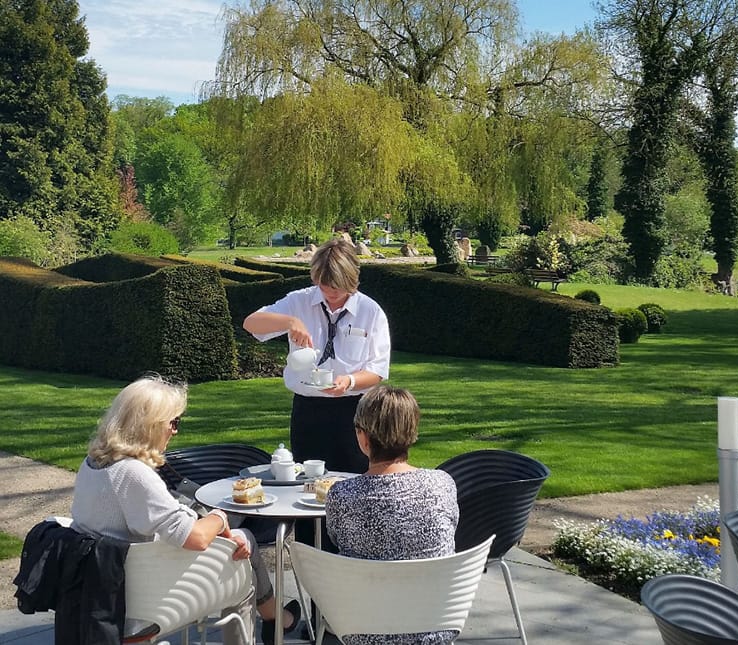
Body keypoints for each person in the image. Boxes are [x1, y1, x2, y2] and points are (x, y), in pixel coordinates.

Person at [69, 375, 300, 645]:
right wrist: (220, 518)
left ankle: (275, 616)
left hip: (102, 584)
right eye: (173, 422)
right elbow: (196, 537)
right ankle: (270, 620)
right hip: (146, 596)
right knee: (243, 546)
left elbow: (158, 518)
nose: (175, 431)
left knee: (237, 543)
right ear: (150, 426)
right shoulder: (134, 474)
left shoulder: (93, 464)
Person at [243, 237, 391, 475]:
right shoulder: (299, 301)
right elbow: (251, 323)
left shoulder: (370, 311)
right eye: (323, 286)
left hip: (355, 412)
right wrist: (289, 321)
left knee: (352, 479)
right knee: (307, 483)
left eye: (337, 287)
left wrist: (349, 381)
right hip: (308, 410)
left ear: (352, 280)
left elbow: (378, 369)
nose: (330, 293)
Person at [325, 385, 459, 645]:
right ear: (413, 432)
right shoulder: (443, 484)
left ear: (363, 439)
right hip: (435, 627)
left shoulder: (342, 495)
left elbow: (337, 540)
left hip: (364, 631)